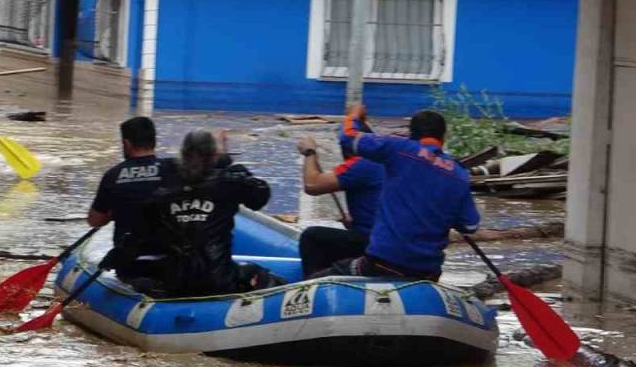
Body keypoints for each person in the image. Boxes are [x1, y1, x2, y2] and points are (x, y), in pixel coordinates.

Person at [311, 105, 480, 281]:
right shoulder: (459, 175)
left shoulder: (399, 148)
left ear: (411, 134)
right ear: (443, 138)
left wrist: (353, 115)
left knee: (318, 276)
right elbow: (470, 226)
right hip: (428, 272)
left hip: (383, 263)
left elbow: (348, 138)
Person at [133, 130, 282, 297]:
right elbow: (260, 198)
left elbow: (145, 233)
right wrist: (237, 172)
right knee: (260, 274)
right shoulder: (227, 183)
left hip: (176, 283)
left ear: (182, 154)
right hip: (220, 281)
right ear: (213, 156)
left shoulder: (163, 193)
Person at [86, 116, 178, 284]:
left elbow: (95, 221)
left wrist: (113, 212)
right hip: (172, 262)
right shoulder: (174, 169)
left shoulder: (113, 175)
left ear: (127, 143)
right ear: (154, 141)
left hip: (129, 265)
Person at [295, 135, 384, 277]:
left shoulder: (364, 164)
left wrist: (310, 152)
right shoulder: (402, 165)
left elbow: (312, 185)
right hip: (396, 240)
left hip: (375, 243)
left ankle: (314, 284)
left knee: (311, 237)